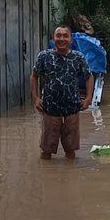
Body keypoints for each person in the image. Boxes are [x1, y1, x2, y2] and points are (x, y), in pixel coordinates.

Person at [31, 26, 95, 160]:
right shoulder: (44, 56)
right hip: (50, 107)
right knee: (46, 149)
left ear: (71, 39)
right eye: (58, 36)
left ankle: (71, 177)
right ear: (53, 39)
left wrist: (89, 98)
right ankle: (46, 176)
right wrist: (36, 98)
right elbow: (34, 75)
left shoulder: (78, 57)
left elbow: (89, 76)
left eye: (65, 36)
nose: (61, 39)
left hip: (72, 107)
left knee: (71, 150)